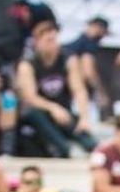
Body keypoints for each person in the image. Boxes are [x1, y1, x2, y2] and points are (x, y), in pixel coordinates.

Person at [16, 20, 96, 159]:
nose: (53, 44)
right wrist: (53, 108)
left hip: (64, 111)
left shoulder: (68, 59)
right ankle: (64, 148)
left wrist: (84, 117)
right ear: (37, 42)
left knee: (90, 143)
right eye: (48, 40)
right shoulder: (28, 64)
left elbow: (79, 89)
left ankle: (87, 146)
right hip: (39, 112)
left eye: (55, 39)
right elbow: (30, 97)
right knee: (35, 114)